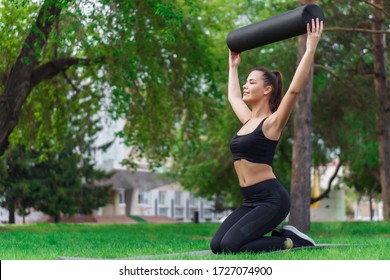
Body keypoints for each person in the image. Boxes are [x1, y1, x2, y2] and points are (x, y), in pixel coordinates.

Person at [210, 18, 324, 254]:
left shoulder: (272, 123)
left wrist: (310, 47)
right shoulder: (248, 120)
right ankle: (281, 236)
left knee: (232, 246)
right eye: (246, 81)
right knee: (217, 246)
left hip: (271, 200)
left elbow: (293, 89)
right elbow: (233, 98)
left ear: (267, 89)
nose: (245, 85)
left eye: (251, 82)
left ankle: (292, 241)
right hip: (250, 201)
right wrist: (233, 66)